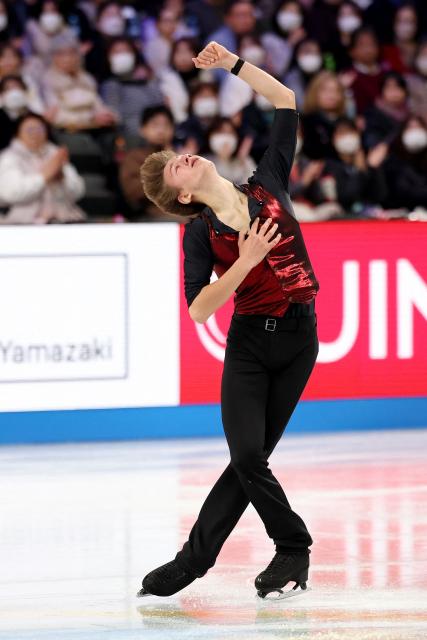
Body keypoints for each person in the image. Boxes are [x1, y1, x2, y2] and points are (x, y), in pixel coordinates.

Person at [138, 40, 319, 600]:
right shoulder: (199, 234)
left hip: (299, 337)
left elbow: (286, 100)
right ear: (184, 194)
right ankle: (292, 546)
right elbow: (198, 309)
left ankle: (195, 562)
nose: (184, 157)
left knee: (251, 461)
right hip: (247, 349)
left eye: (180, 154)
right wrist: (246, 259)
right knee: (246, 456)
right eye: (175, 167)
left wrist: (234, 66)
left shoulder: (268, 182)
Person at [0, 112, 85, 224]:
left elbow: (78, 192)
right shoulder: (9, 157)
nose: (35, 133)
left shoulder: (55, 154)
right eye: (30, 129)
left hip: (63, 220)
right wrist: (44, 177)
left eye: (40, 129)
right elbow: (10, 193)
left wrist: (62, 179)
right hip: (22, 224)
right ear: (18, 133)